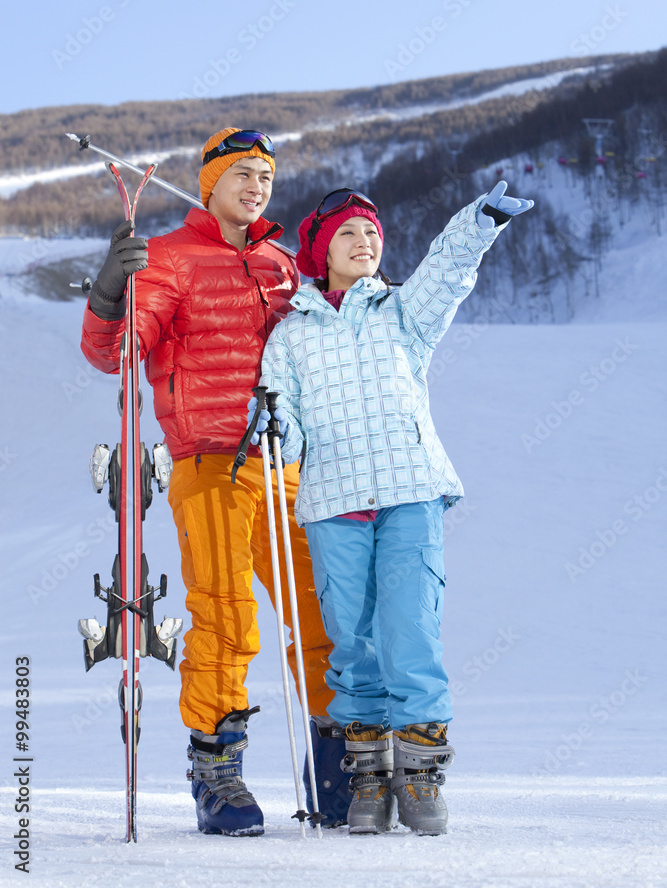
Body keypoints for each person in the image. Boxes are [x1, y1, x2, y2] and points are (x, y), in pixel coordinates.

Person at [253, 181, 534, 835]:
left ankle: (420, 773)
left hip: (409, 494)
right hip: (332, 504)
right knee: (352, 647)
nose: (365, 242)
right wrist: (269, 426)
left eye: (373, 233)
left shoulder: (405, 313)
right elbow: (283, 419)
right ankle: (370, 776)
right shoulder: (291, 337)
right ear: (321, 249)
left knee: (411, 634)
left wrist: (478, 221)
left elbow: (446, 270)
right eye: (349, 233)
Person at [80, 128, 338, 837]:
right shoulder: (167, 259)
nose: (256, 186)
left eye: (265, 176)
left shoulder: (282, 265)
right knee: (227, 615)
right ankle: (216, 768)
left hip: (285, 463)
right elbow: (113, 352)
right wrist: (110, 291)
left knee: (325, 609)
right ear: (209, 185)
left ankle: (335, 758)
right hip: (210, 460)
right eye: (242, 174)